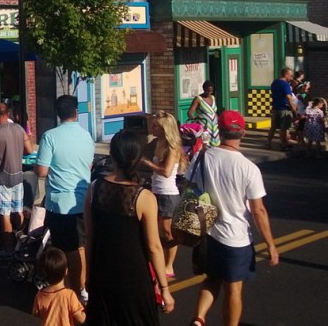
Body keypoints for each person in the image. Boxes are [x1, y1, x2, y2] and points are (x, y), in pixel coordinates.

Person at [189, 110, 278, 326]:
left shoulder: (203, 157)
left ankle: (199, 319)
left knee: (212, 278)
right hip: (235, 237)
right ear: (243, 133)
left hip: (208, 232)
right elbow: (258, 210)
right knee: (234, 289)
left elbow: (190, 185)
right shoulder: (249, 168)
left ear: (219, 131)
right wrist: (270, 245)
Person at [84, 129, 175, 324]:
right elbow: (154, 247)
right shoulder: (143, 197)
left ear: (112, 155)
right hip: (134, 279)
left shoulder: (94, 189)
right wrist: (164, 288)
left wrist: (89, 275)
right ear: (137, 158)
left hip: (102, 274)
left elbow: (89, 238)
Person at [35, 95, 95, 302]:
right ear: (76, 112)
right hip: (83, 200)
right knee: (80, 246)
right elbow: (89, 164)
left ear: (57, 113)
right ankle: (82, 288)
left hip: (60, 202)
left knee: (64, 250)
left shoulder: (50, 136)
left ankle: (72, 291)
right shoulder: (86, 135)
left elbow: (42, 170)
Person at [140, 111, 189, 279]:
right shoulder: (156, 142)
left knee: (167, 232)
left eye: (156, 126)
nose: (152, 128)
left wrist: (148, 163)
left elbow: (167, 172)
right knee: (151, 229)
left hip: (168, 194)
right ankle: (156, 260)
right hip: (155, 191)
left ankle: (169, 265)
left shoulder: (172, 147)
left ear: (165, 129)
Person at [0, 102, 36, 261]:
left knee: (5, 215)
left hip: (2, 178)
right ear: (8, 114)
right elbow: (30, 150)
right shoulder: (19, 129)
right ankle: (21, 243)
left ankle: (8, 250)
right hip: (17, 177)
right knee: (18, 210)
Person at [32, 246, 86, 326]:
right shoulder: (69, 295)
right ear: (66, 271)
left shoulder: (40, 295)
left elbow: (36, 313)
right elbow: (81, 318)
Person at [266, 67, 298, 149]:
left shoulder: (275, 82)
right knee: (284, 128)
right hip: (284, 108)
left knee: (273, 127)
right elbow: (288, 97)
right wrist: (293, 107)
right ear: (286, 74)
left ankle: (268, 142)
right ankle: (283, 144)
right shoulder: (285, 84)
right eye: (290, 75)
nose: (291, 78)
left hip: (275, 108)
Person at [188, 81, 219, 147]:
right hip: (204, 127)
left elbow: (214, 112)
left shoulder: (213, 98)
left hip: (215, 127)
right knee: (205, 144)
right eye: (207, 91)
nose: (209, 93)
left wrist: (219, 121)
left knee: (215, 145)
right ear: (204, 89)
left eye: (211, 91)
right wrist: (195, 120)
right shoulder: (198, 99)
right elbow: (190, 112)